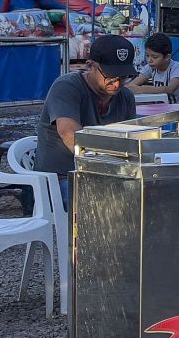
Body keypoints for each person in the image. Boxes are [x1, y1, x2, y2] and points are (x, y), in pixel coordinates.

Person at [34, 34, 139, 210]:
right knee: (109, 205)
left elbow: (131, 140)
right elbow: (70, 134)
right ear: (90, 65)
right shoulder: (67, 86)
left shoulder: (125, 97)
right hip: (60, 179)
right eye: (111, 76)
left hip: (105, 176)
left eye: (123, 77)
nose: (117, 84)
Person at [128, 32, 179, 104]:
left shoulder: (178, 69)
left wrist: (141, 89)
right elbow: (132, 85)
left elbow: (170, 89)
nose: (149, 60)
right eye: (147, 56)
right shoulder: (151, 67)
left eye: (154, 57)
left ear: (167, 57)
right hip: (162, 109)